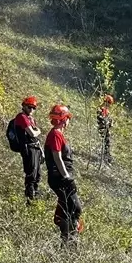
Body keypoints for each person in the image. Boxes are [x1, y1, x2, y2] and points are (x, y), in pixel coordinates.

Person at [45, 104, 83, 243]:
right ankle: (69, 239)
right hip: (60, 178)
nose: (69, 121)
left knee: (68, 206)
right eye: (68, 118)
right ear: (63, 119)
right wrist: (66, 176)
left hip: (61, 177)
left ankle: (68, 238)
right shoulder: (55, 134)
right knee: (74, 207)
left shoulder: (58, 134)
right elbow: (57, 157)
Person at [12, 96, 43, 203]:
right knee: (31, 173)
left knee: (37, 173)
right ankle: (29, 198)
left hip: (35, 148)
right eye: (30, 107)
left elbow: (35, 136)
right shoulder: (22, 117)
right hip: (28, 148)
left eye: (34, 108)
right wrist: (38, 131)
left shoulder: (30, 119)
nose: (32, 110)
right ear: (24, 106)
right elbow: (33, 133)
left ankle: (35, 194)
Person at [96, 94, 114, 164]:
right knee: (106, 141)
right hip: (102, 128)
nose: (109, 105)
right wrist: (106, 122)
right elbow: (100, 119)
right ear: (106, 102)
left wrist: (110, 122)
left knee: (107, 141)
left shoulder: (106, 110)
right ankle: (105, 156)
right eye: (109, 103)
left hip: (106, 129)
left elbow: (108, 120)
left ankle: (107, 155)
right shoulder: (101, 109)